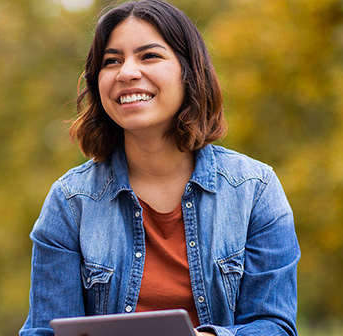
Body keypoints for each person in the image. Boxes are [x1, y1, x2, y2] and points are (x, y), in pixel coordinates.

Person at [19, 1, 300, 335]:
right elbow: (46, 330)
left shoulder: (255, 189)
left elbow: (275, 326)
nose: (126, 73)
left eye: (149, 56)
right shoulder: (70, 202)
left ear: (188, 73)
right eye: (112, 61)